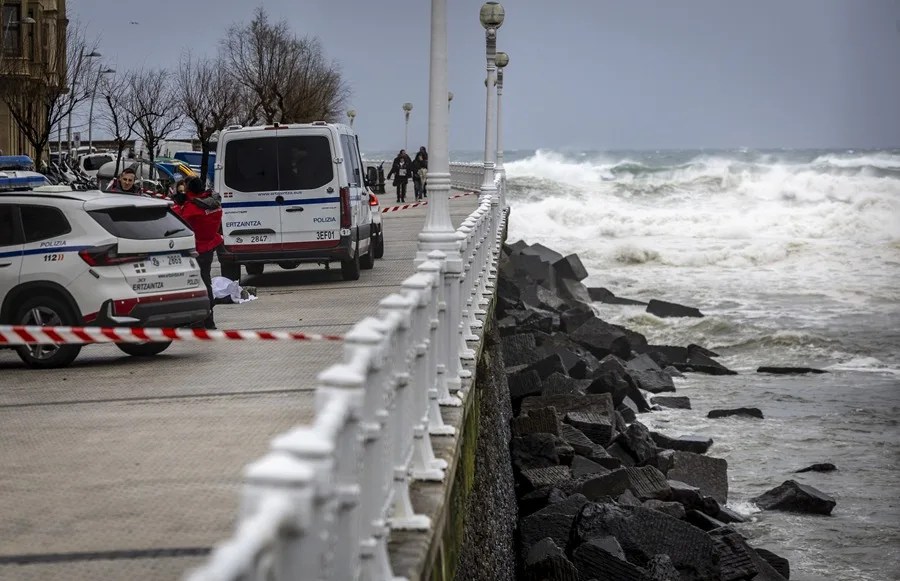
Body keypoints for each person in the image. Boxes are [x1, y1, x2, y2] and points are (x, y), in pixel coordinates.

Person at [173, 177, 223, 330]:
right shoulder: (213, 203)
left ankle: (198, 321)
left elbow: (177, 221)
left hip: (195, 249)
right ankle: (209, 320)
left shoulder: (192, 208)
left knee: (194, 285)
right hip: (209, 247)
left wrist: (178, 204)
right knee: (206, 282)